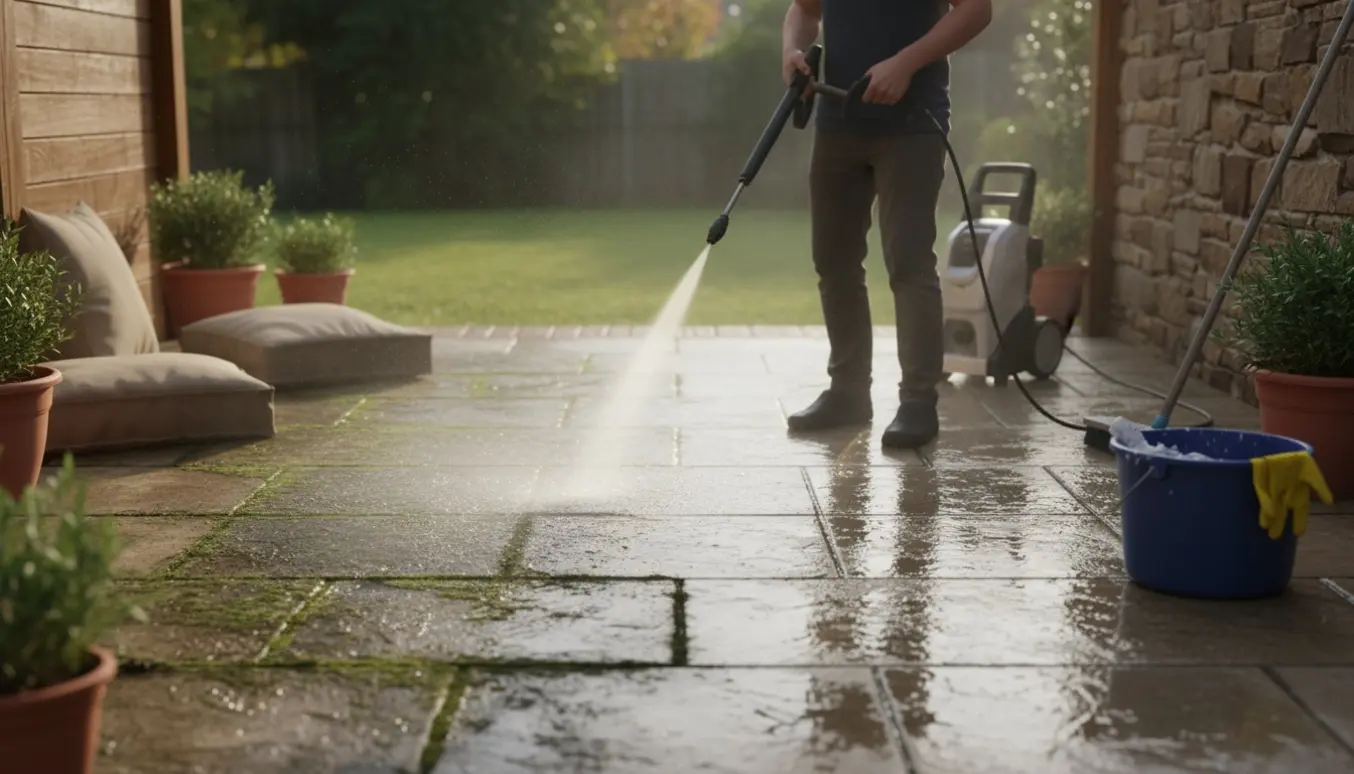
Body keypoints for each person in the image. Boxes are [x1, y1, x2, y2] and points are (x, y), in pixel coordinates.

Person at [781, 0, 993, 448]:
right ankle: (848, 394)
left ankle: (918, 402)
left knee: (909, 264)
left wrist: (905, 63)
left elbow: (977, 10)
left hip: (913, 125)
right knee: (833, 261)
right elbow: (804, 10)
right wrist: (791, 52)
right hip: (836, 123)